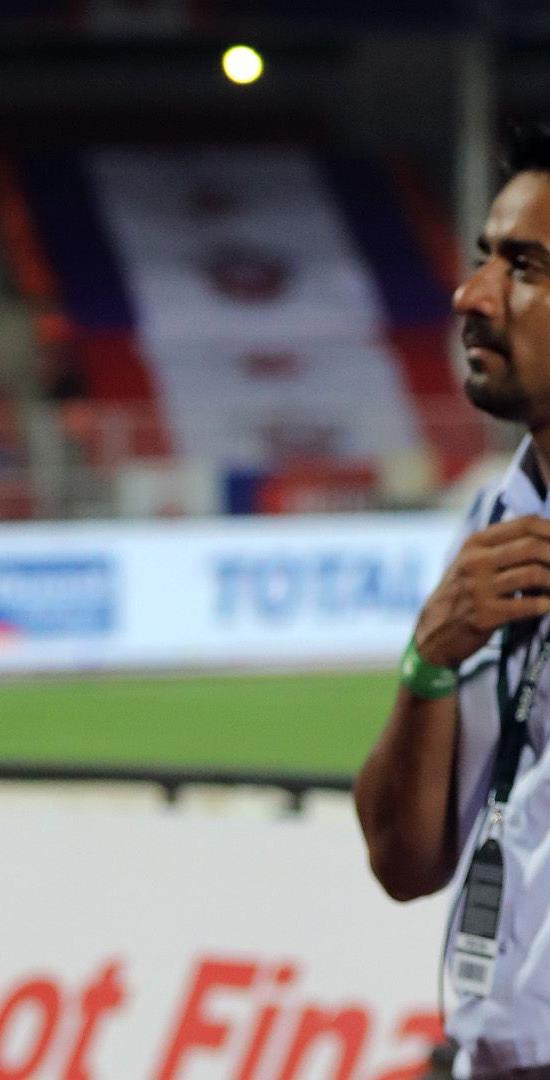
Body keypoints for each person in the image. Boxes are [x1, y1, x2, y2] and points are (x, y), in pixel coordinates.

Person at [356, 122, 550, 1078]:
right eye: (484, 258)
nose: (472, 295)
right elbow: (404, 861)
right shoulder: (490, 524)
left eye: (526, 267)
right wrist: (427, 660)